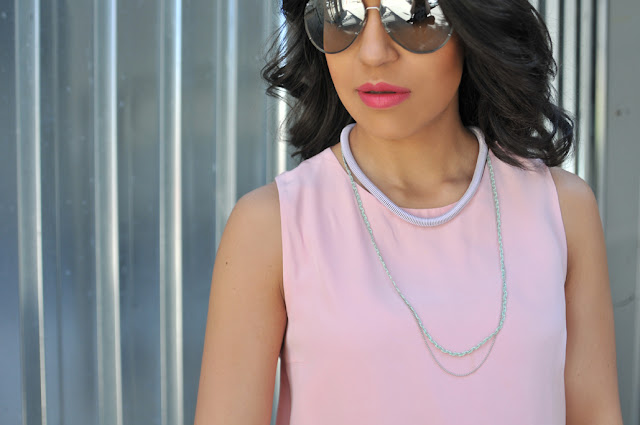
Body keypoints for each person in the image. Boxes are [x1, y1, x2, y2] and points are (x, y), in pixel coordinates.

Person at [194, 0, 624, 423]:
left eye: (416, 13)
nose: (373, 52)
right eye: (343, 13)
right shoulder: (271, 227)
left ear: (471, 24)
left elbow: (596, 414)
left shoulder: (563, 210)